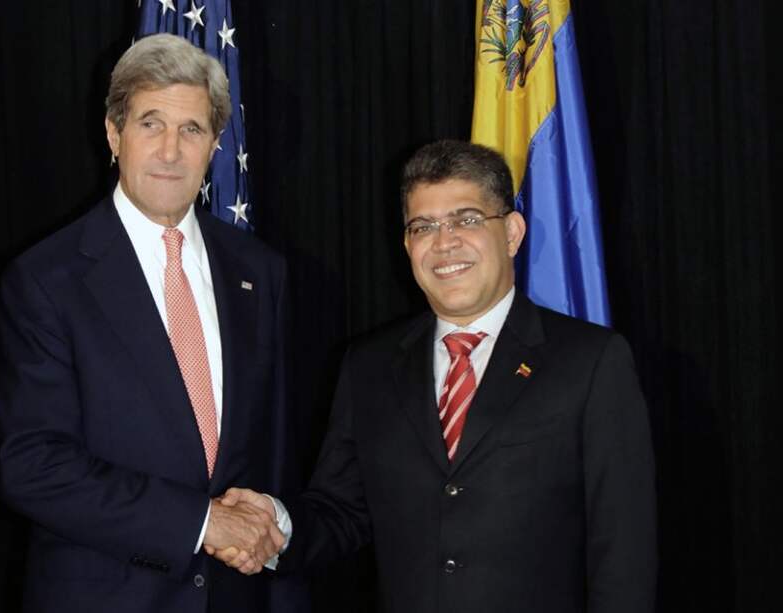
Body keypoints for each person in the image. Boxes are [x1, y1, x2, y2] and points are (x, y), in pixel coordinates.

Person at [215, 140, 657, 612]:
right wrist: (275, 523)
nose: (444, 242)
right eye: (423, 226)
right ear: (407, 244)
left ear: (511, 232)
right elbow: (341, 512)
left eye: (466, 220)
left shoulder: (591, 362)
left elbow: (623, 554)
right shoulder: (368, 367)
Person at [0, 33, 302, 612]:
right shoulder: (46, 279)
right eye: (150, 124)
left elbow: (274, 456)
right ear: (114, 135)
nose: (169, 151)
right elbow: (33, 465)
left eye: (191, 130)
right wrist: (201, 522)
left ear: (215, 143)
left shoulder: (260, 271)